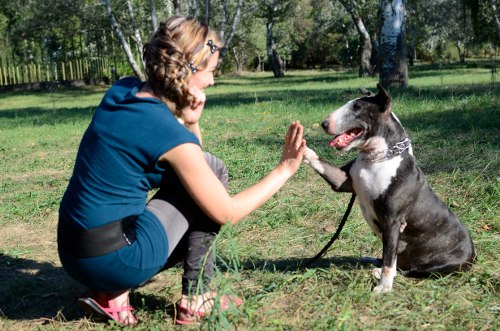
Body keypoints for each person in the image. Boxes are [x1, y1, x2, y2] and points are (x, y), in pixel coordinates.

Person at [57, 15, 306, 326]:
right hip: (113, 260)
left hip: (71, 254)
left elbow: (190, 165)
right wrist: (285, 168)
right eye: (211, 71)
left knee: (205, 173)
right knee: (214, 172)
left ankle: (112, 293)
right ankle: (195, 297)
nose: (213, 81)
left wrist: (191, 122)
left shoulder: (121, 91)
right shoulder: (167, 134)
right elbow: (226, 212)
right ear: (188, 69)